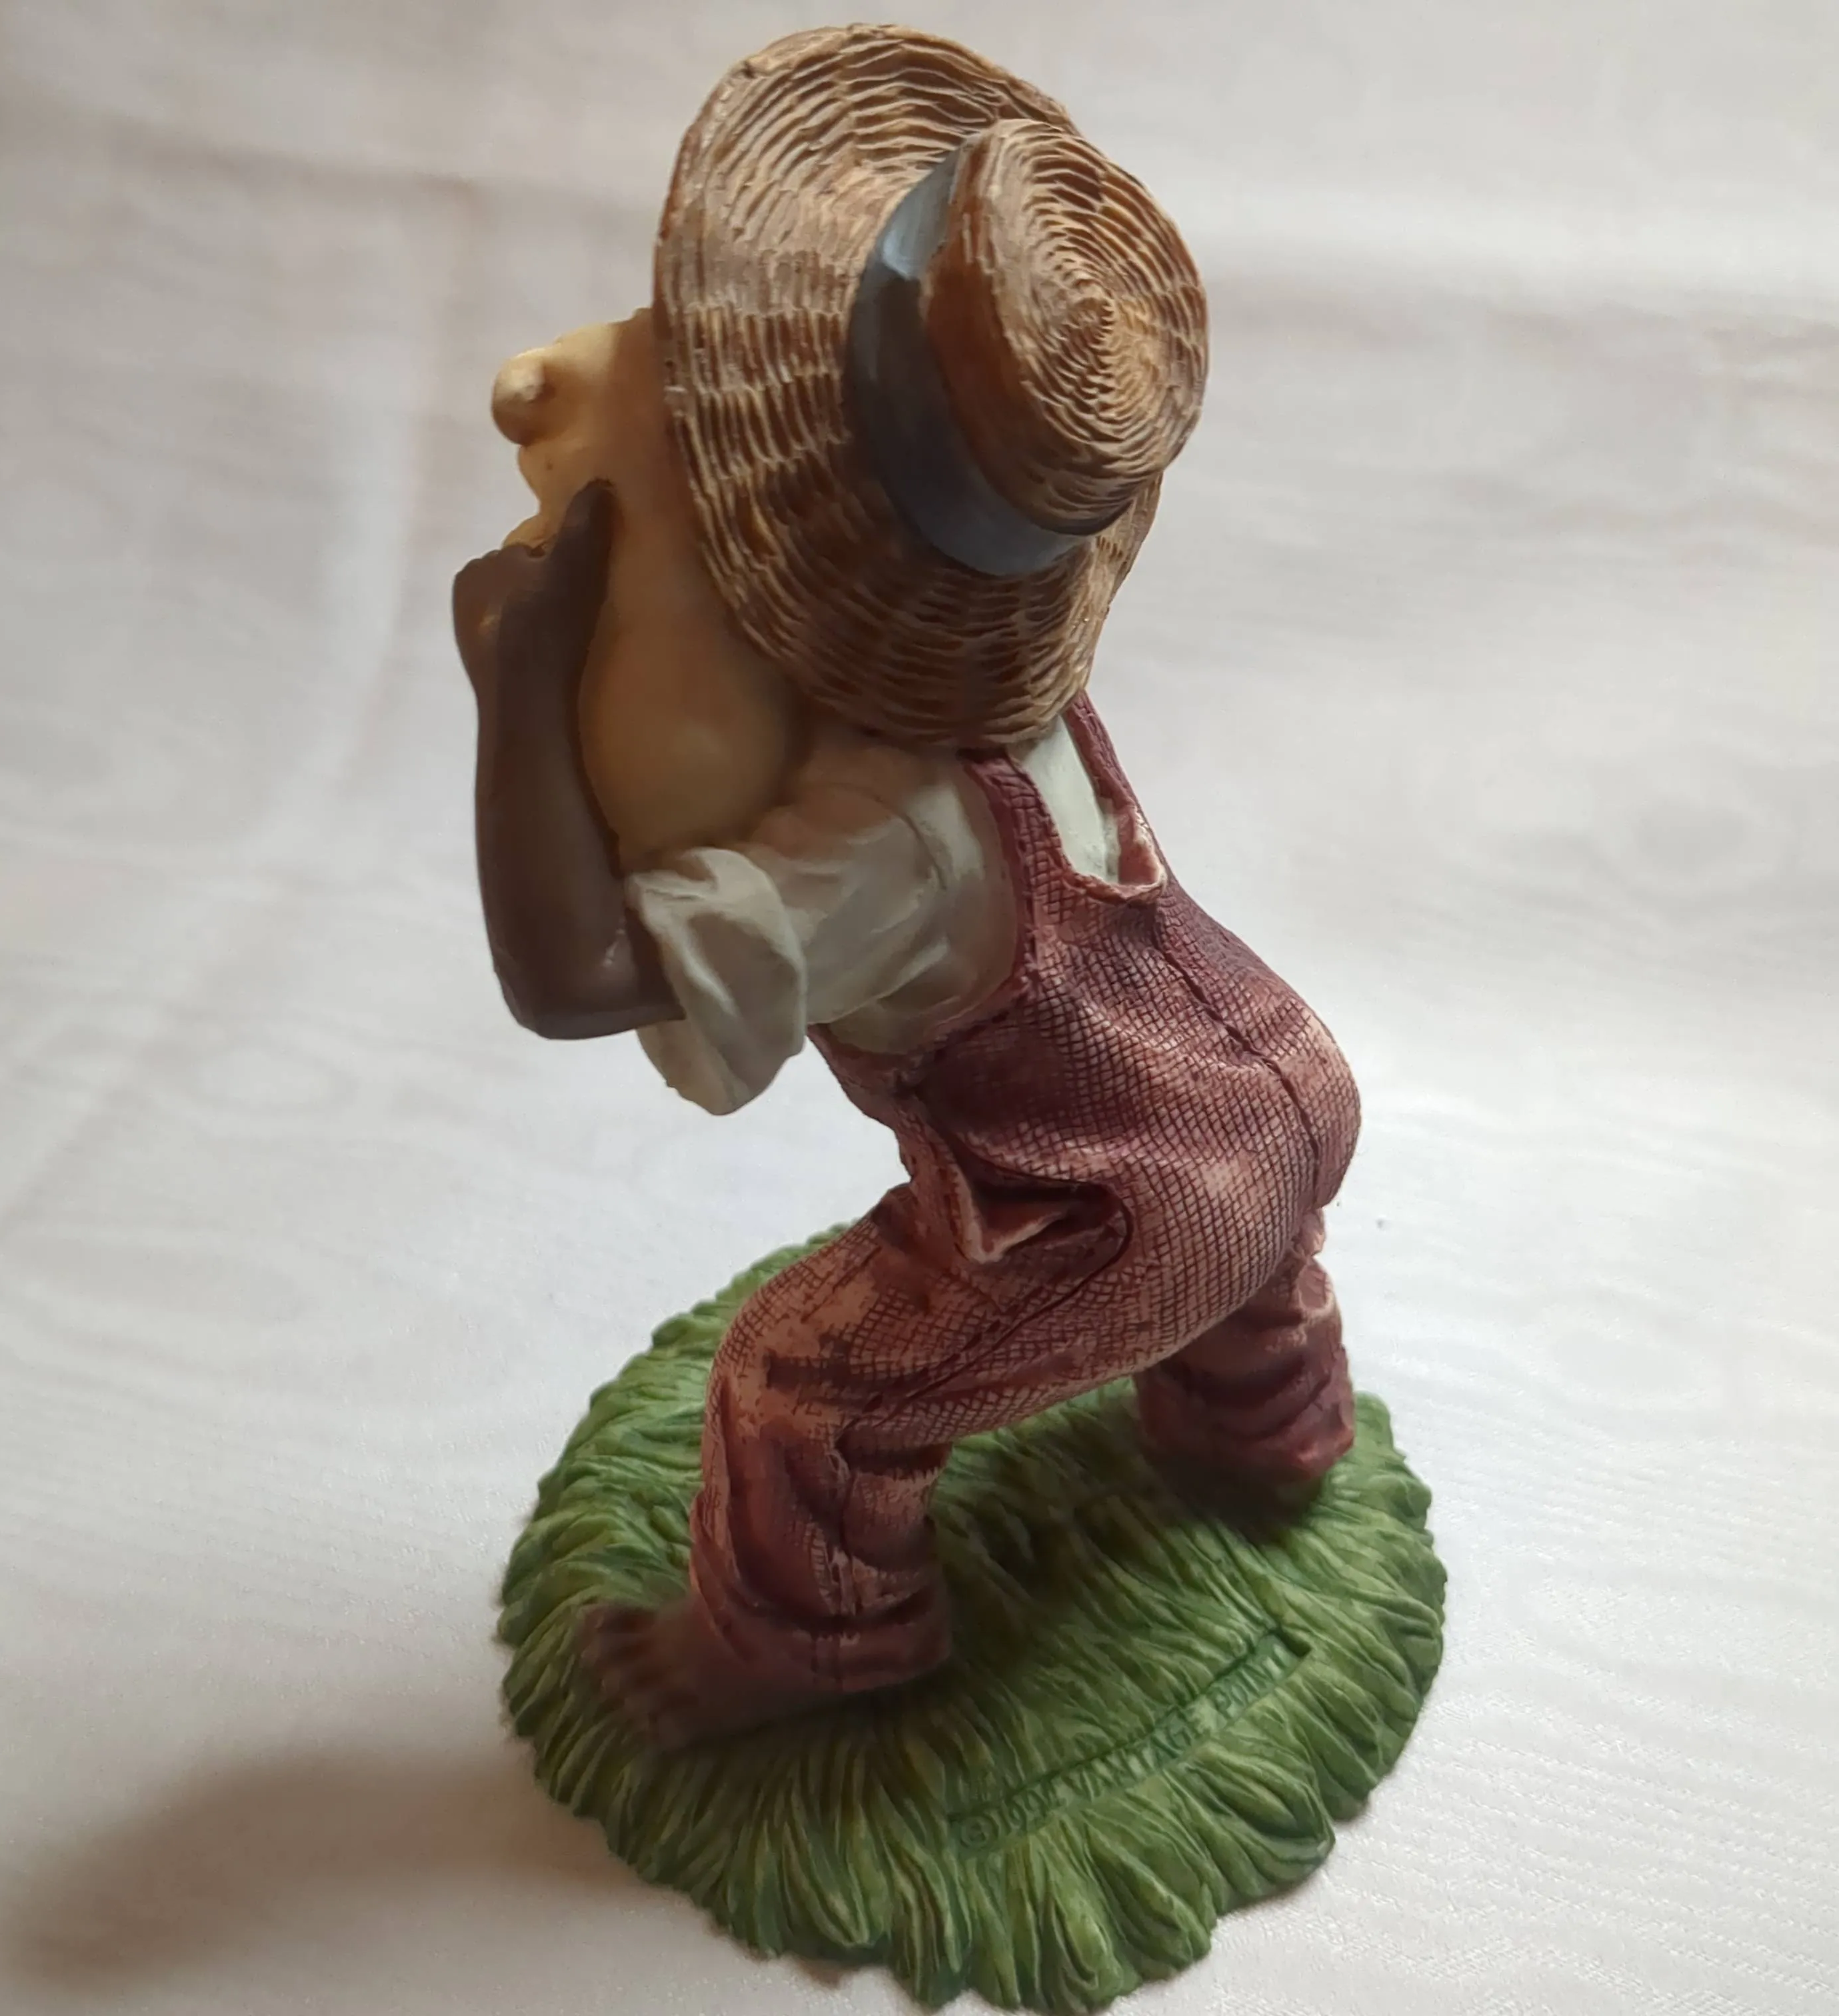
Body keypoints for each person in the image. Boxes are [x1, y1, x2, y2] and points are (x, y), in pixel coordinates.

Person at [453, 26, 1360, 1748]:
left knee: (801, 1383)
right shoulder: (1017, 688)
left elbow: (572, 979)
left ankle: (810, 1646)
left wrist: (522, 694)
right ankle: (1270, 1426)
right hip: (1287, 1081)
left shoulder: (887, 835)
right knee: (1242, 1228)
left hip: (1122, 1203)